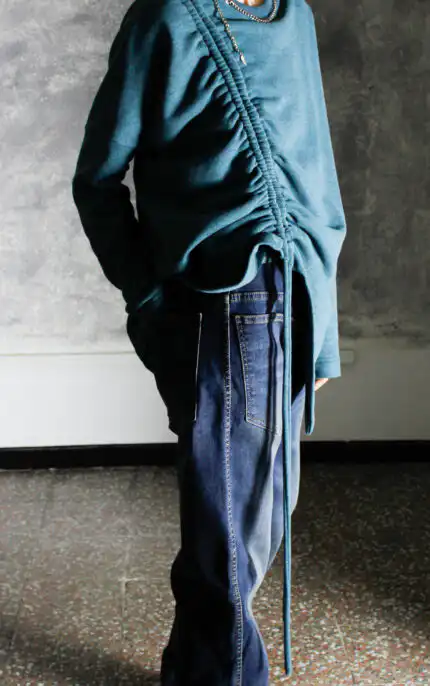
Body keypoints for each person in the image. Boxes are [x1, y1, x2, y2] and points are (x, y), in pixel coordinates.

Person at [71, 0, 347, 682]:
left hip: (295, 296)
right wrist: (149, 299)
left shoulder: (293, 14)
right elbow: (97, 181)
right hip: (227, 304)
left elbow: (319, 179)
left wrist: (323, 334)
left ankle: (192, 668)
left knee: (257, 516)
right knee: (229, 527)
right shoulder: (167, 18)